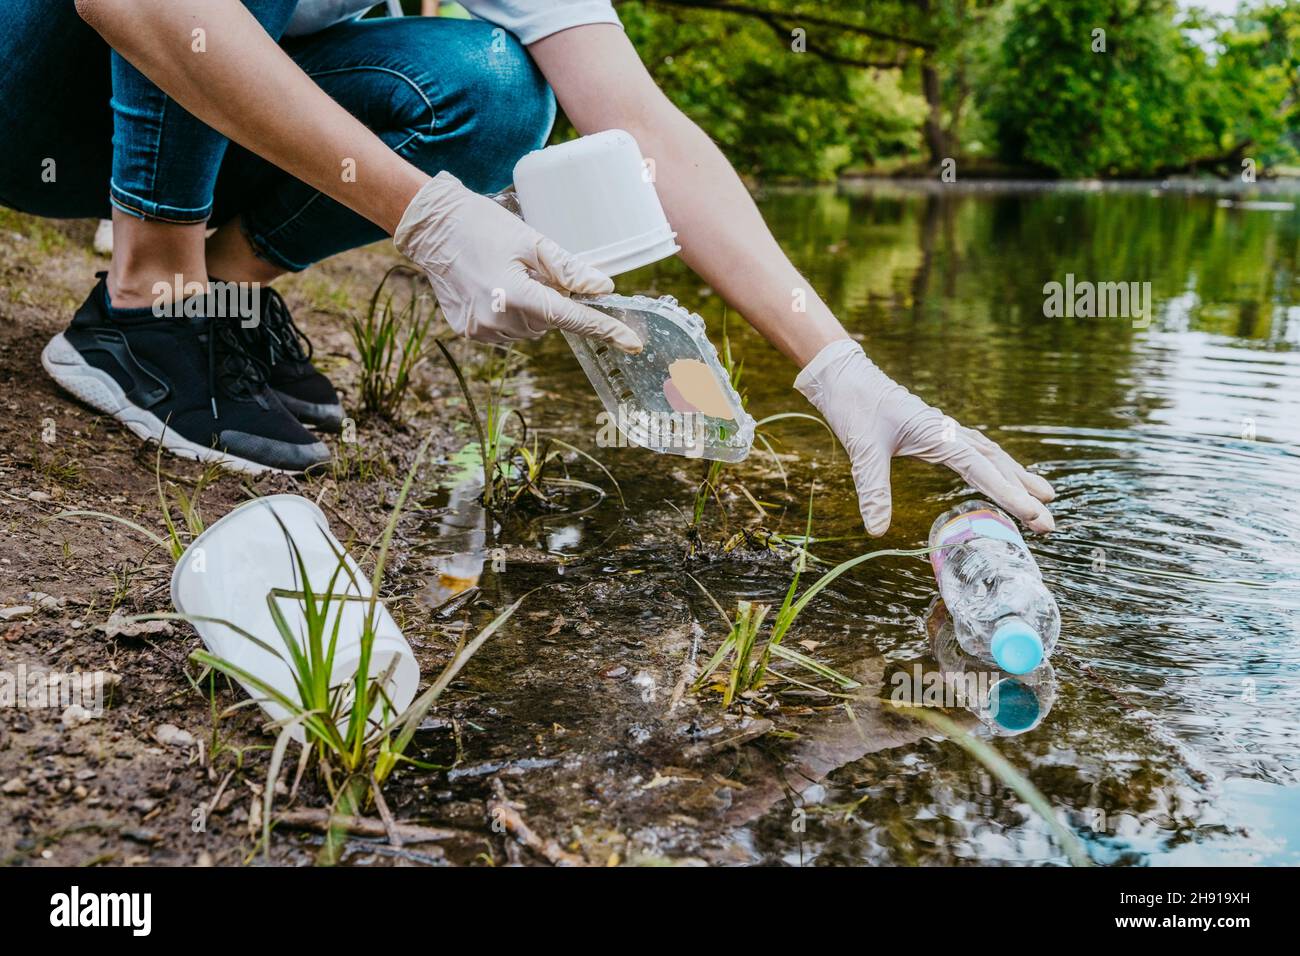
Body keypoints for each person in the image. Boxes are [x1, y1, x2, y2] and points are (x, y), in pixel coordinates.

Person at [0, 0, 1054, 536]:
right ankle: (151, 294)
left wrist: (836, 365)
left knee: (496, 89)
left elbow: (644, 129)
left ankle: (215, 298)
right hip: (33, 83)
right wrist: (427, 216)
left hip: (173, 104)